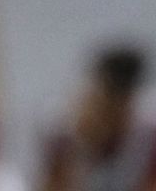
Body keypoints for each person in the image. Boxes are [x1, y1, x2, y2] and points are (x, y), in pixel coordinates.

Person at [39, 44, 156, 191]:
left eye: (121, 103)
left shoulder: (147, 137)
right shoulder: (64, 131)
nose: (112, 113)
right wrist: (84, 148)